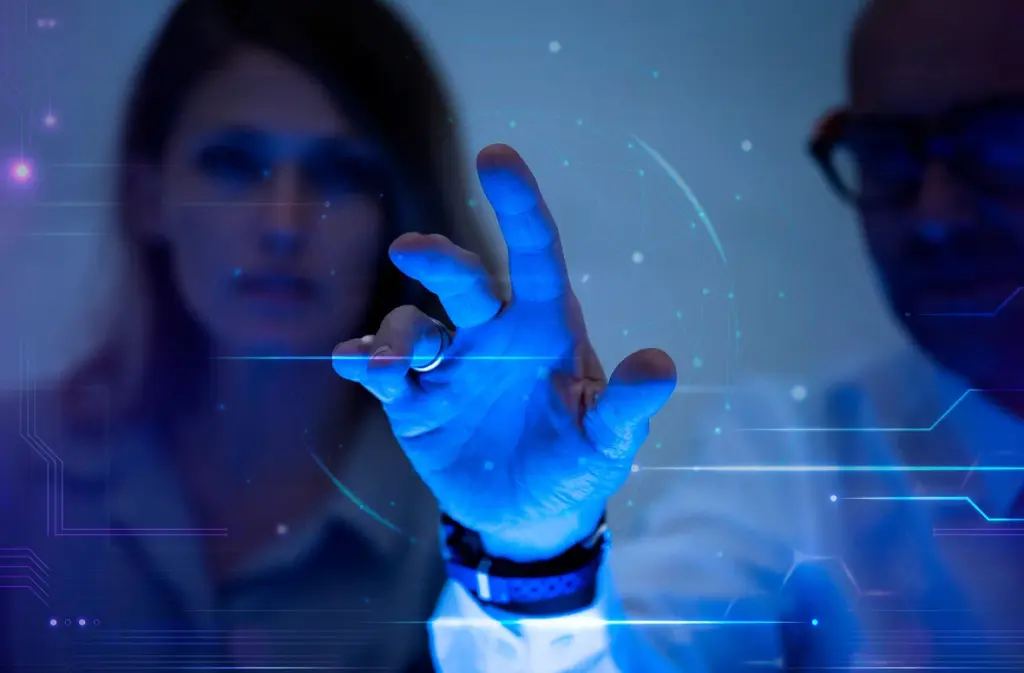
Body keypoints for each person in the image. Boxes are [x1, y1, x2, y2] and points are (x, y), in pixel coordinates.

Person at [0, 0, 715, 671]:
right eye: (235, 164)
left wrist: (532, 554)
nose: (283, 224)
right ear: (146, 194)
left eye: (341, 174)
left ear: (398, 211)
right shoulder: (14, 466)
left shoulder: (472, 488)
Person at [622, 0, 1024, 668]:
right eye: (885, 155)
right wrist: (536, 559)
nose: (935, 215)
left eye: (1004, 143)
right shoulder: (795, 454)